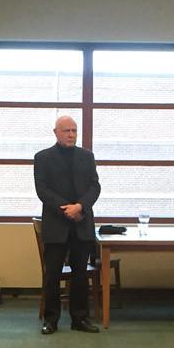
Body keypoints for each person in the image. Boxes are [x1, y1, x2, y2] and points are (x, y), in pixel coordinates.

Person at [34, 115, 101, 335]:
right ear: (55, 132)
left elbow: (95, 186)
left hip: (82, 223)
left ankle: (80, 319)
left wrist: (80, 206)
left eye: (74, 130)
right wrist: (67, 209)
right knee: (52, 274)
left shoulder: (87, 156)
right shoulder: (43, 157)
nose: (71, 134)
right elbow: (42, 190)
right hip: (56, 224)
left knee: (80, 272)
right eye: (66, 131)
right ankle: (51, 319)